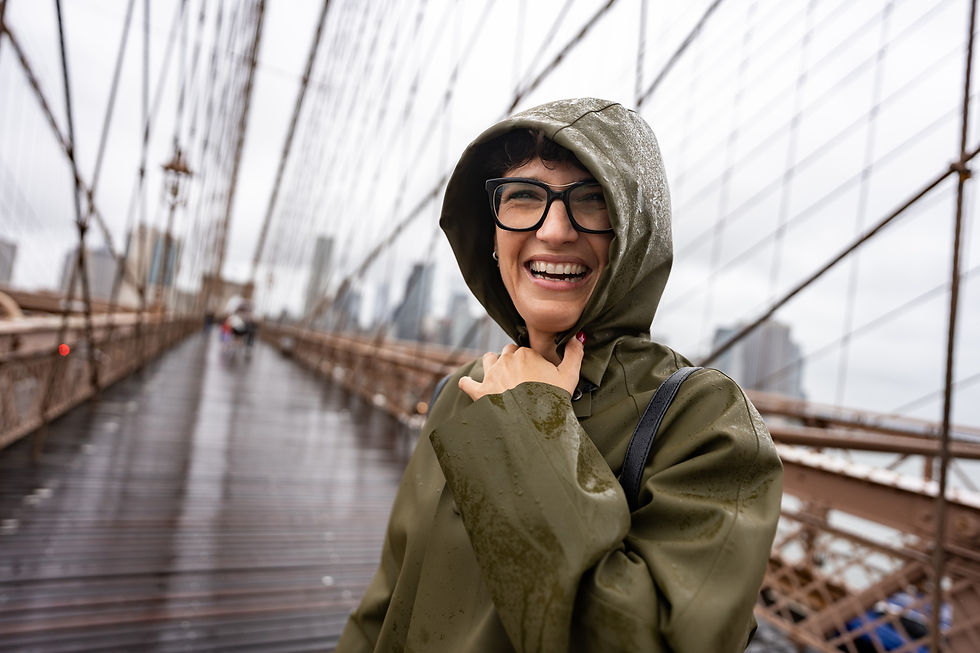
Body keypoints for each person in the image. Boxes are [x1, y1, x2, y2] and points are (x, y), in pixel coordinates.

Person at [336, 98, 782, 652]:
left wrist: (530, 424)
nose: (554, 230)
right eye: (523, 196)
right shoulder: (462, 390)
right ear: (491, 230)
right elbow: (386, 607)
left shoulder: (705, 421)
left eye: (592, 200)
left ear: (635, 233)